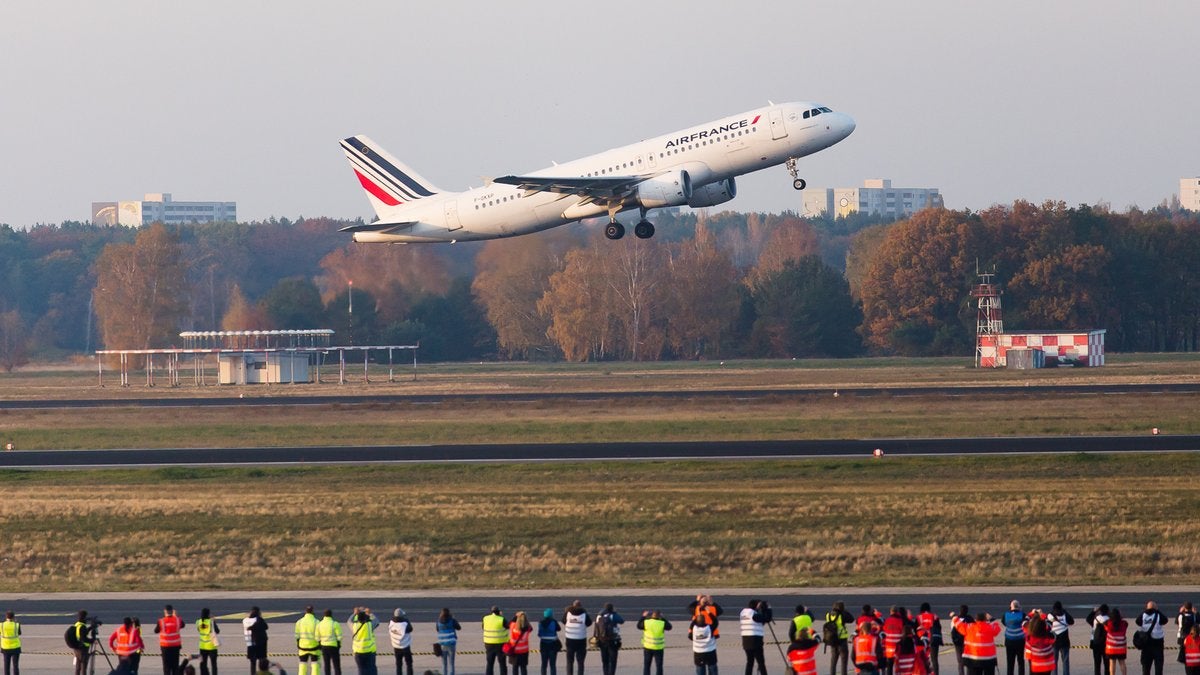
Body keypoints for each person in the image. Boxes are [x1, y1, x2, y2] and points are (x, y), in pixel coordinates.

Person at [740, 599, 772, 675]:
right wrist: (768, 609)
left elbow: (760, 622)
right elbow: (766, 619)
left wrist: (760, 609)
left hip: (746, 641)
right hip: (755, 641)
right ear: (757, 605)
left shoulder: (743, 613)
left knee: (750, 662)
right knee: (761, 662)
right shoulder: (753, 614)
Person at [1135, 602, 1167, 675]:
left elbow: (1137, 621)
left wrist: (1145, 611)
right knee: (1158, 667)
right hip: (1157, 644)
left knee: (1146, 667)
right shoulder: (1158, 615)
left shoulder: (1143, 615)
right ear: (1155, 608)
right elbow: (1165, 620)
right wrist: (1157, 610)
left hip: (1146, 644)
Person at [826, 601, 856, 675]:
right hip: (841, 640)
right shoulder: (842, 615)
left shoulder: (828, 615)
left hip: (832, 639)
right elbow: (851, 619)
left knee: (833, 660)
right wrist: (844, 611)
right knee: (843, 661)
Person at [637, 609, 671, 675]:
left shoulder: (646, 622)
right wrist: (663, 618)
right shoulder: (661, 623)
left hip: (648, 647)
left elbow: (638, 626)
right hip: (658, 647)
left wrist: (643, 617)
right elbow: (669, 627)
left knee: (647, 666)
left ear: (652, 615)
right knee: (659, 666)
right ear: (659, 616)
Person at [562, 601, 591, 675]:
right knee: (580, 662)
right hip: (581, 639)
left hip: (570, 639)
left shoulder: (568, 613)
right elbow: (589, 623)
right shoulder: (584, 614)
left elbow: (563, 621)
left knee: (569, 661)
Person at [594, 603, 624, 675]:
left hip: (602, 640)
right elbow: (621, 621)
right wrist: (615, 612)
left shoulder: (599, 616)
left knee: (605, 661)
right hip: (612, 640)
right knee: (613, 660)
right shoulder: (613, 615)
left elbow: (596, 627)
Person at [157, 604, 185, 675]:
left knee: (166, 666)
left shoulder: (161, 621)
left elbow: (156, 630)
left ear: (165, 611)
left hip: (165, 647)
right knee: (175, 666)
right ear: (172, 611)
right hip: (175, 646)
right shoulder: (177, 620)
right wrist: (176, 616)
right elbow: (183, 625)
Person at [1046, 602, 1073, 675]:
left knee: (1054, 661)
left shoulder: (1050, 615)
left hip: (1054, 642)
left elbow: (1047, 627)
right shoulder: (1065, 615)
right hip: (1065, 642)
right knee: (1065, 661)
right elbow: (1071, 621)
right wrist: (1065, 611)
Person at [349, 608, 379, 675]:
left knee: (361, 669)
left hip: (358, 651)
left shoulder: (354, 626)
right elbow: (377, 621)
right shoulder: (369, 625)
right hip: (369, 651)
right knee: (371, 668)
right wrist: (370, 613)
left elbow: (349, 621)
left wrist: (354, 613)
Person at [482, 605, 509, 675]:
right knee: (502, 663)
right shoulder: (501, 619)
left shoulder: (485, 618)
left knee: (490, 663)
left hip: (488, 643)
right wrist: (501, 616)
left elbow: (483, 627)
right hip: (500, 643)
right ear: (499, 612)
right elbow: (508, 626)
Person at [295, 606, 322, 675]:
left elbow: (297, 635)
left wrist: (298, 644)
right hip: (314, 646)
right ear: (312, 611)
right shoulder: (317, 622)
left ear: (306, 611)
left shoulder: (299, 622)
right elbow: (319, 635)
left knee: (302, 664)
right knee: (315, 664)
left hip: (302, 647)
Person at [916, 604, 942, 675]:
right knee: (934, 659)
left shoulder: (919, 617)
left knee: (923, 659)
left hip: (922, 640)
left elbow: (916, 629)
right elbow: (939, 628)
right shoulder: (934, 616)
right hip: (933, 639)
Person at [1002, 602, 1026, 675]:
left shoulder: (1006, 615)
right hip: (1020, 640)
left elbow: (1004, 623)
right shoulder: (1022, 615)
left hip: (1009, 640)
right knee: (1021, 661)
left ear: (1010, 607)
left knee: (1010, 662)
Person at [435, 608, 462, 675]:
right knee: (451, 663)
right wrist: (454, 619)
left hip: (442, 643)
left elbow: (437, 630)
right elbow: (459, 628)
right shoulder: (452, 620)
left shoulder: (438, 621)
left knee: (444, 664)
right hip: (451, 643)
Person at [245, 608, 270, 675]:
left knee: (253, 662)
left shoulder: (246, 620)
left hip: (250, 643)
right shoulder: (259, 620)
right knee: (262, 660)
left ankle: (253, 673)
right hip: (260, 643)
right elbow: (266, 627)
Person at [387, 609, 413, 675]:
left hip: (396, 646)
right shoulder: (405, 623)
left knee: (398, 665)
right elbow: (410, 629)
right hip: (405, 646)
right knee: (409, 664)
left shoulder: (391, 623)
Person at [317, 610, 343, 675]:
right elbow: (339, 637)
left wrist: (320, 644)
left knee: (327, 665)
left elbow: (317, 637)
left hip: (324, 646)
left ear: (324, 615)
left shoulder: (320, 624)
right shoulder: (335, 624)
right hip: (333, 646)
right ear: (331, 615)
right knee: (336, 665)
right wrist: (339, 645)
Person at [1086, 605, 1110, 675]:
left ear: (1100, 611)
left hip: (1095, 642)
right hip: (1106, 643)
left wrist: (1094, 611)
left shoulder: (1096, 619)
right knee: (1107, 664)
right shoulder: (1109, 619)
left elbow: (1088, 619)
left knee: (1097, 664)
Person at [1103, 608, 1127, 675]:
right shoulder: (1124, 624)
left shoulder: (1108, 624)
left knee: (1112, 663)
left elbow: (1105, 626)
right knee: (1122, 663)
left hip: (1111, 648)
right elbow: (1125, 624)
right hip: (1121, 647)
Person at [197, 608, 221, 675]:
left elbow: (199, 630)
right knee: (214, 664)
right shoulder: (211, 622)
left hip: (202, 646)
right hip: (211, 646)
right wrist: (213, 621)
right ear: (208, 614)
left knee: (203, 664)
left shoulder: (198, 622)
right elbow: (217, 631)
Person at [508, 611, 533, 675]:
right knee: (523, 668)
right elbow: (531, 628)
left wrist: (516, 616)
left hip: (515, 651)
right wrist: (525, 619)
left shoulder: (513, 626)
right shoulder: (527, 629)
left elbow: (510, 622)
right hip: (524, 651)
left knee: (515, 668)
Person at [71, 610, 94, 675]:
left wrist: (90, 628)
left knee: (78, 666)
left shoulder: (77, 624)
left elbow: (82, 633)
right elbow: (83, 638)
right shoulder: (82, 626)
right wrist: (91, 641)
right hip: (83, 648)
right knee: (84, 666)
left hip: (77, 647)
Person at [949, 607, 971, 675]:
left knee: (960, 662)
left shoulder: (955, 619)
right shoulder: (970, 619)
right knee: (968, 661)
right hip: (967, 642)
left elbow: (952, 629)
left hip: (958, 642)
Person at [1, 611, 19, 675]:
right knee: (15, 666)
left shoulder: (2, 625)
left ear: (6, 617)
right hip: (15, 647)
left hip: (5, 647)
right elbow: (19, 633)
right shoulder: (16, 625)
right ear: (13, 617)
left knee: (6, 666)